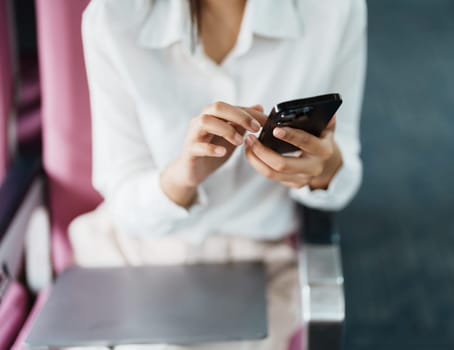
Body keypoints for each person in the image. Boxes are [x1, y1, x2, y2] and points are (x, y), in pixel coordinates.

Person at [71, 0, 367, 349]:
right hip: (137, 256)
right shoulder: (113, 18)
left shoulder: (336, 9)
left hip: (261, 267)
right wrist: (182, 178)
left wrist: (321, 170)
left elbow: (343, 175)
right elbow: (123, 196)